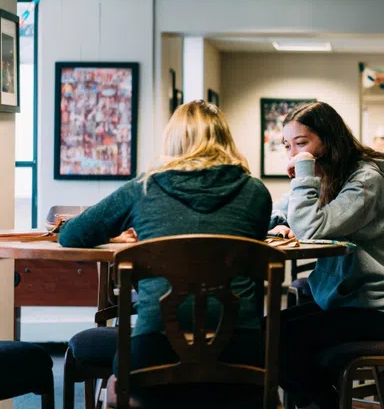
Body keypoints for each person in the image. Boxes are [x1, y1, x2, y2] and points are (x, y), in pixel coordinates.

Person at [58, 100, 272, 373]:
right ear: (225, 140)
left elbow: (72, 235)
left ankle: (120, 395)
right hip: (243, 351)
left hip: (153, 351)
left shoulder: (144, 188)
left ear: (172, 141)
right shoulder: (256, 193)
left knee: (118, 382)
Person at [268, 101, 384, 409]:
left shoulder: (366, 180)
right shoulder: (329, 176)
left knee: (277, 344)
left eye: (302, 143)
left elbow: (310, 227)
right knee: (264, 331)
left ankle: (329, 404)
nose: (294, 154)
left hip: (378, 311)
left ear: (328, 139)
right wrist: (281, 223)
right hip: (344, 301)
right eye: (288, 145)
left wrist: (303, 173)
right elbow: (282, 211)